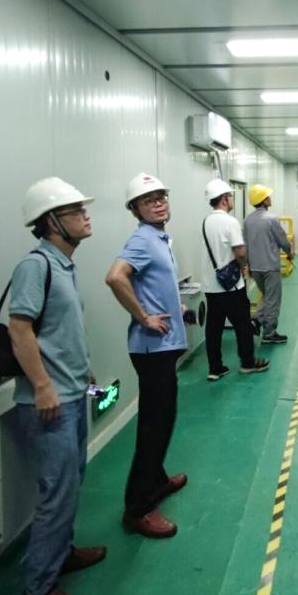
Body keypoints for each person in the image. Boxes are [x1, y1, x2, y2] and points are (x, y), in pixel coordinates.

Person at [9, 177, 106, 595]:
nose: (85, 216)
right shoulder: (35, 266)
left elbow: (56, 331)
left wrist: (82, 371)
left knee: (71, 481)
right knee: (57, 492)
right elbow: (20, 330)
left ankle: (61, 554)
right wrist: (43, 386)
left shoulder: (63, 265)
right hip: (49, 403)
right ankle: (39, 590)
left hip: (70, 393)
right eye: (75, 211)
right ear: (52, 221)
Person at [105, 173, 188, 539]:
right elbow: (115, 277)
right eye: (148, 200)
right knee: (153, 426)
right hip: (152, 349)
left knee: (164, 419)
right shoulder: (141, 239)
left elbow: (153, 283)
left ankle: (156, 480)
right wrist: (143, 317)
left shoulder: (159, 238)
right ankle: (138, 508)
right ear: (135, 209)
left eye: (161, 196)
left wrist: (174, 305)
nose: (158, 203)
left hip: (164, 347)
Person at [200, 178, 270, 381]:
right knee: (243, 324)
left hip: (211, 284)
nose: (232, 199)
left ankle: (215, 368)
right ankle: (248, 363)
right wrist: (243, 266)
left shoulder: (206, 221)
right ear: (224, 199)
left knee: (213, 328)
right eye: (230, 196)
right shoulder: (230, 222)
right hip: (231, 286)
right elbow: (240, 252)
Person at [243, 183, 293, 344]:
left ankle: (256, 320)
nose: (270, 198)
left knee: (267, 296)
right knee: (273, 300)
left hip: (255, 267)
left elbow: (245, 244)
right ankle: (269, 333)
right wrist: (290, 253)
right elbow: (282, 240)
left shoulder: (247, 220)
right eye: (267, 196)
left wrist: (249, 265)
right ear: (263, 200)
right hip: (270, 267)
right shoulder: (271, 219)